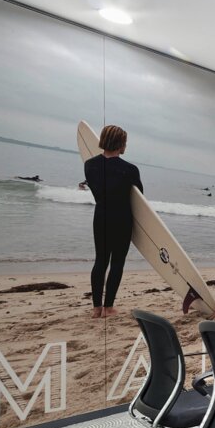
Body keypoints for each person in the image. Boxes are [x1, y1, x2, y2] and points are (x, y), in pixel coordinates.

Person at [84, 125, 142, 319]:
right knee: (117, 262)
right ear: (121, 144)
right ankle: (108, 307)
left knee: (100, 260)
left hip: (100, 216)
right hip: (122, 219)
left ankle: (96, 308)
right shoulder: (130, 169)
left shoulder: (89, 164)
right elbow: (139, 197)